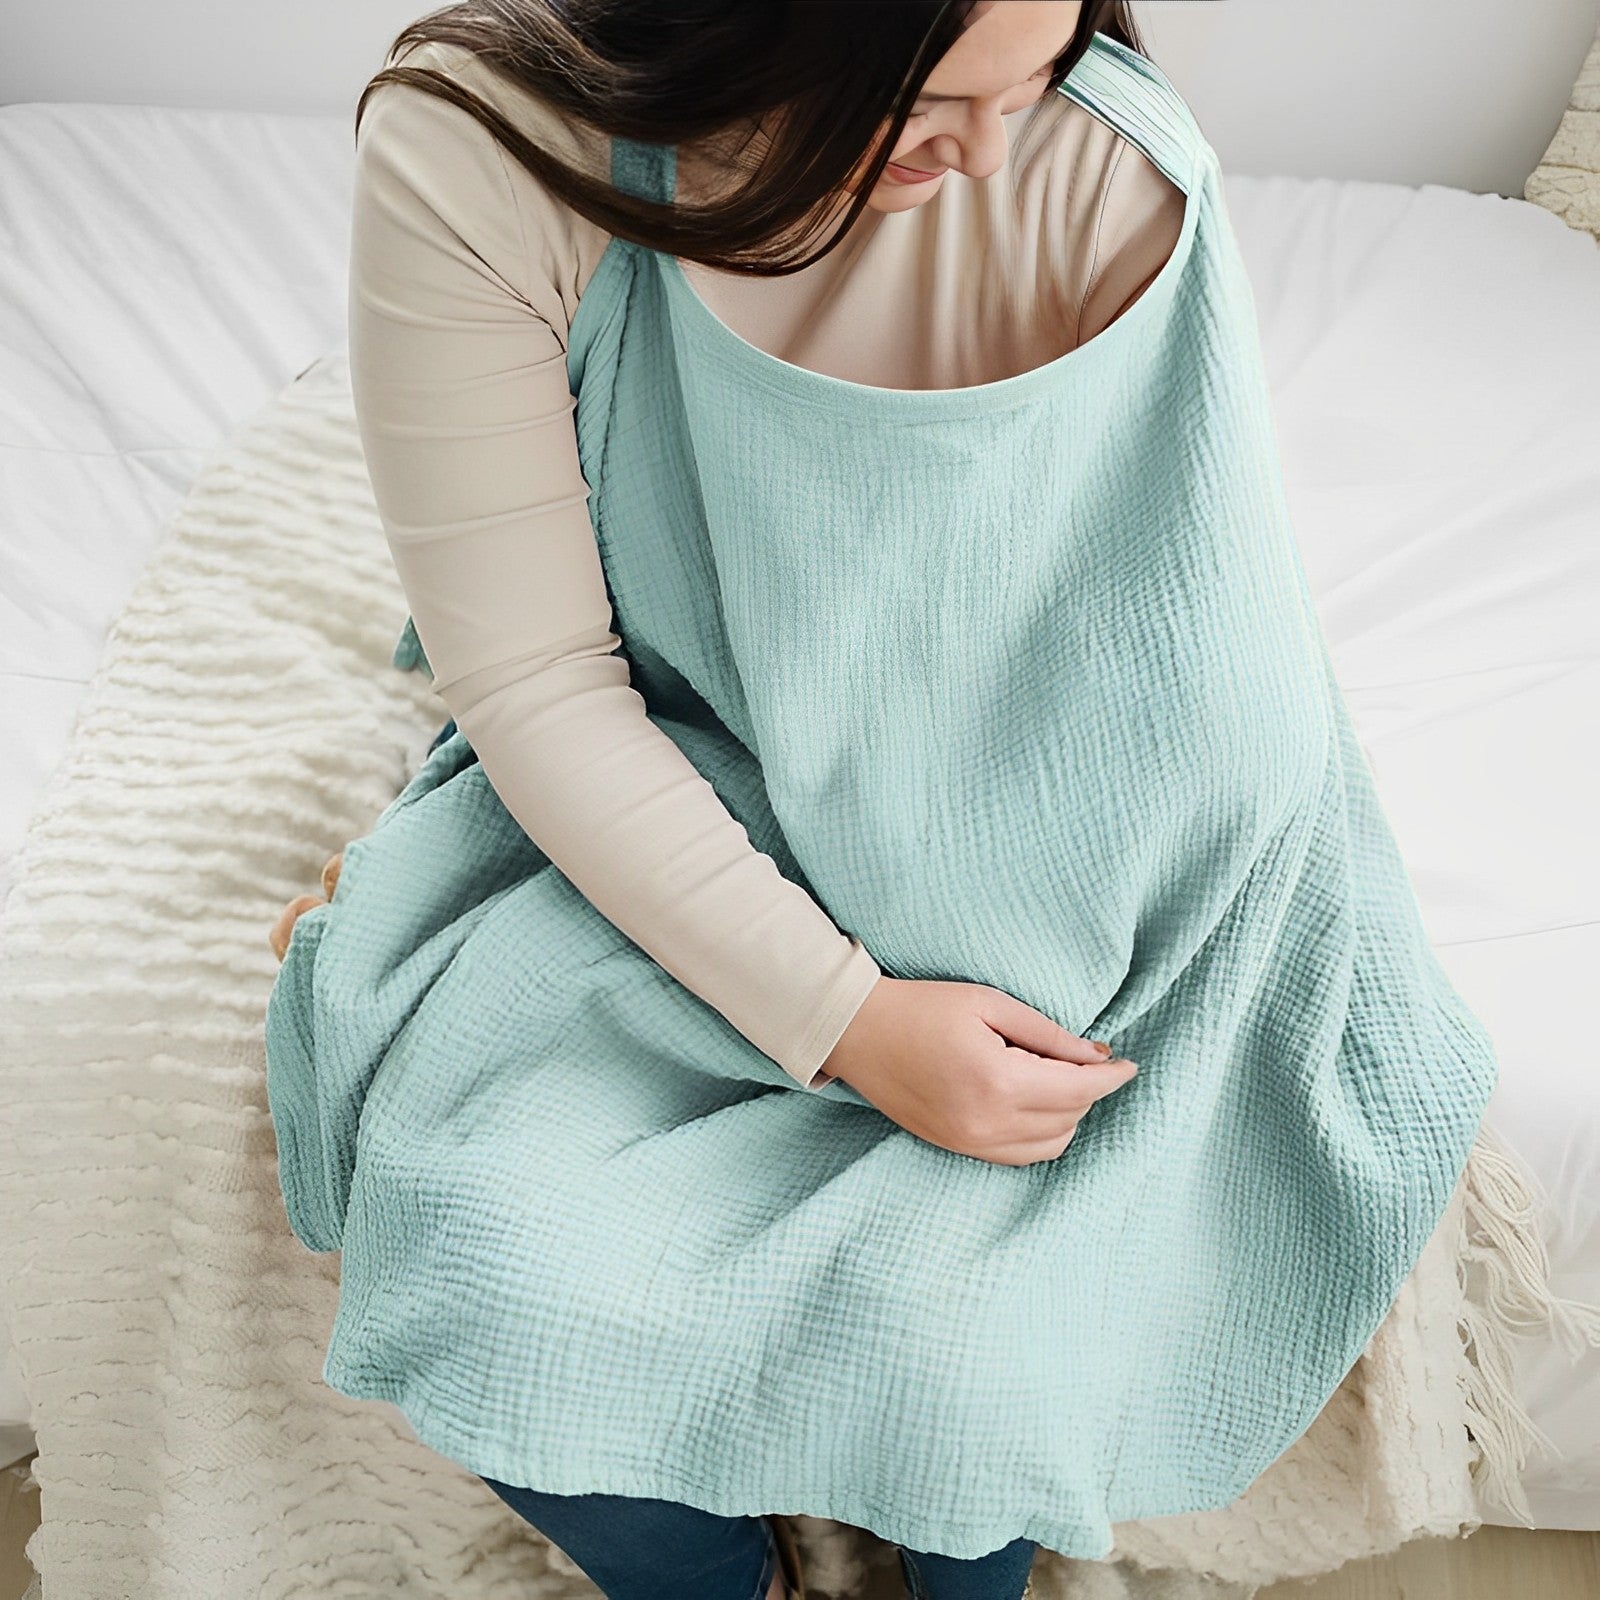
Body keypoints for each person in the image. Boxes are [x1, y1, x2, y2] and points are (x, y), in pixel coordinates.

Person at [265, 0, 1497, 1596]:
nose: (984, 151)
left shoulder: (1100, 164)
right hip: (698, 761)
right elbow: (543, 685)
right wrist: (850, 1021)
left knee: (978, 1353)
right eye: (927, 99)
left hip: (1071, 808)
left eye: (1030, 81)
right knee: (476, 1260)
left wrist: (992, 996)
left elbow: (1188, 678)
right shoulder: (489, 141)